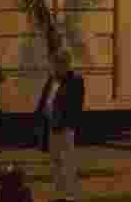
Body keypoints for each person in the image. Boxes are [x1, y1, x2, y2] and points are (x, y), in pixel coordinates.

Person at [35, 50, 85, 202]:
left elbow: (76, 105)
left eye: (59, 63)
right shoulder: (51, 79)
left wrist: (68, 122)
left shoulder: (76, 80)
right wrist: (40, 113)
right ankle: (59, 195)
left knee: (68, 162)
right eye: (55, 63)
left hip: (65, 127)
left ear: (67, 64)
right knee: (55, 162)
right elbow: (44, 98)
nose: (56, 66)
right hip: (51, 125)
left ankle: (70, 195)